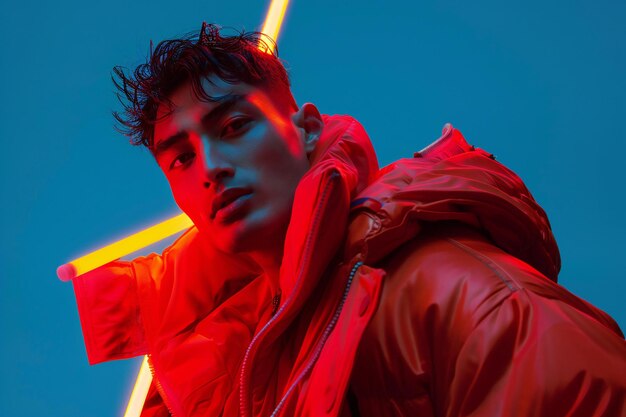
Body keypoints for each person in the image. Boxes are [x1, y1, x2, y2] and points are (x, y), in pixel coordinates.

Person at [70, 23, 626, 417]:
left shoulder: (462, 295)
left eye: (235, 126)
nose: (211, 168)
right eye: (182, 157)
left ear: (307, 131)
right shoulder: (208, 371)